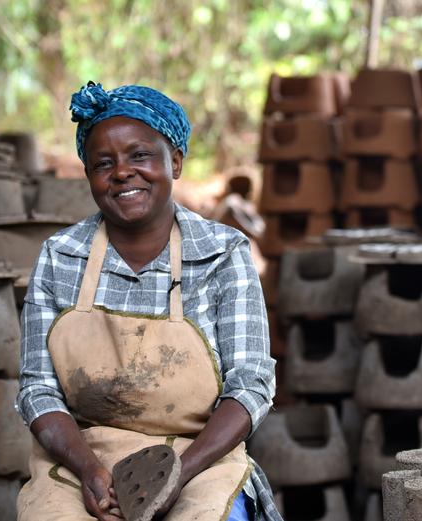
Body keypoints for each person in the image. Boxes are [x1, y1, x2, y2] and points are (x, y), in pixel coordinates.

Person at [16, 81, 281, 521]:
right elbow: (37, 389)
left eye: (139, 155)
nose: (122, 172)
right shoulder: (61, 256)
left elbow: (251, 384)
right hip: (84, 459)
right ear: (88, 174)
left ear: (174, 162)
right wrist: (88, 470)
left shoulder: (221, 252)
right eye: (104, 163)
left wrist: (176, 475)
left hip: (198, 459)